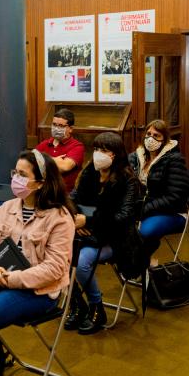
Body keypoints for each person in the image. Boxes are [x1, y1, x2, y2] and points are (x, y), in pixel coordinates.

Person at [0, 150, 75, 376]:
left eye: (22, 174)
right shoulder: (7, 208)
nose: (15, 179)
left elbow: (54, 269)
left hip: (39, 291)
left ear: (40, 183)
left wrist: (10, 279)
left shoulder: (60, 218)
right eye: (15, 172)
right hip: (2, 275)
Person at [69, 132, 142, 335]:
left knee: (82, 263)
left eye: (104, 150)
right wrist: (76, 217)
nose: (98, 154)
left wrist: (89, 221)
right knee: (58, 256)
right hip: (86, 234)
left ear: (116, 154)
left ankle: (96, 307)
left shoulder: (128, 181)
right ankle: (76, 303)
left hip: (116, 238)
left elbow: (124, 217)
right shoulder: (89, 172)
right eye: (96, 149)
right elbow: (71, 199)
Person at [128, 120, 189, 261]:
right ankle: (141, 264)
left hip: (171, 212)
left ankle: (140, 265)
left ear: (164, 140)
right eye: (148, 134)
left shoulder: (174, 160)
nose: (151, 138)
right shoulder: (134, 157)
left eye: (156, 136)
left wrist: (145, 209)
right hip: (140, 209)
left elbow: (175, 197)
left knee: (145, 232)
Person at [36, 108, 85, 192]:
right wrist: (55, 160)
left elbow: (64, 167)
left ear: (70, 129)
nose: (56, 128)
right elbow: (31, 162)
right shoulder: (44, 144)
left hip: (65, 195)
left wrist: (42, 160)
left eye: (61, 126)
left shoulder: (77, 146)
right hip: (43, 191)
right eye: (54, 124)